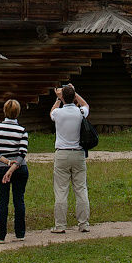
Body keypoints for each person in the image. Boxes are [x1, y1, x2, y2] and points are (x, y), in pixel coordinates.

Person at [50, 83, 90, 233]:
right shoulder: (80, 112)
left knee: (61, 190)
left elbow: (52, 112)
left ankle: (60, 225)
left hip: (62, 153)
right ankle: (83, 224)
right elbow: (86, 104)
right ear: (73, 97)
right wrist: (74, 92)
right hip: (78, 153)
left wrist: (58, 98)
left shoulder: (58, 113)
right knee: (81, 189)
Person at [0, 99, 29, 242]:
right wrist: (12, 167)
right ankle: (20, 234)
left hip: (0, 169)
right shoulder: (22, 131)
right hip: (20, 169)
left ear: (4, 111)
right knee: (19, 200)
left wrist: (6, 163)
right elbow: (22, 153)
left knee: (2, 201)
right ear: (18, 112)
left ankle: (0, 235)